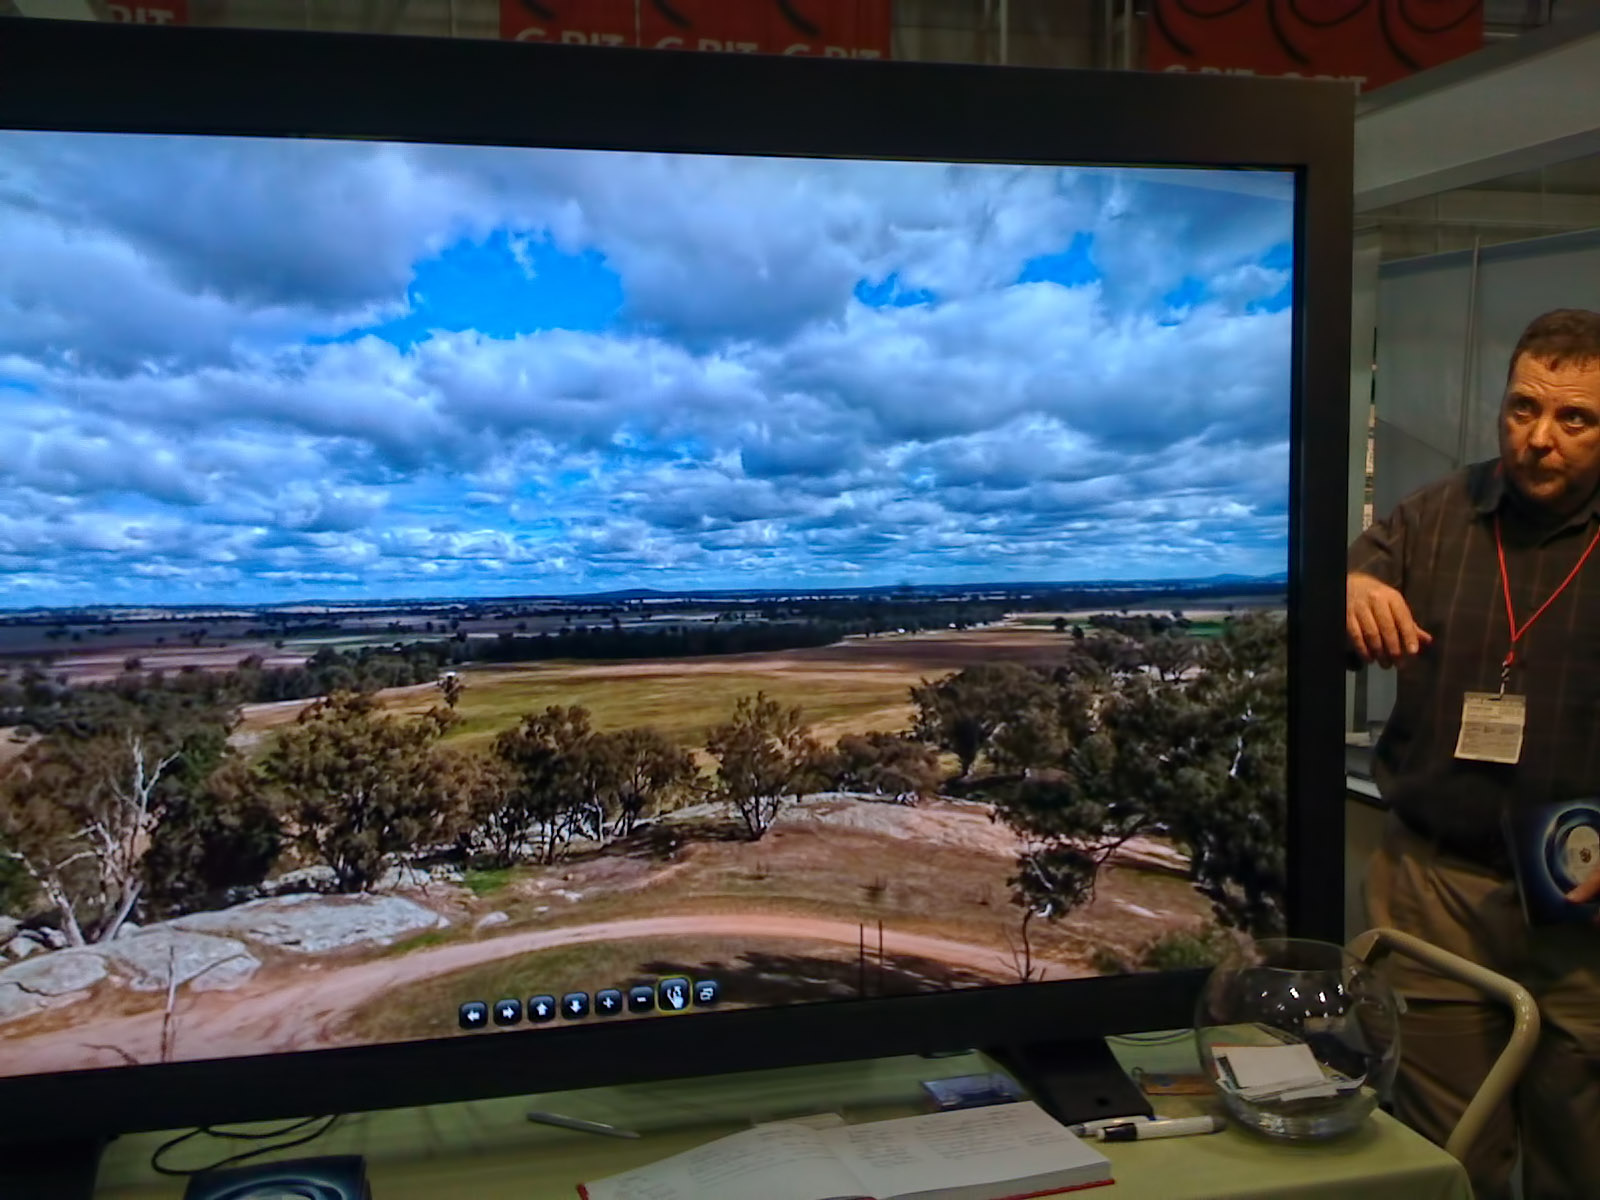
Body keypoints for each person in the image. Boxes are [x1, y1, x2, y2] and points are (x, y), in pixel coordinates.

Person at [1347, 308, 1600, 1200]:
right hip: (1438, 888)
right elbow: (1327, 622)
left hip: (1586, 897)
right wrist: (1349, 586)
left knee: (1582, 1148)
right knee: (1448, 1153)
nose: (1539, 439)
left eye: (1575, 419)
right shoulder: (1435, 517)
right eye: (1523, 408)